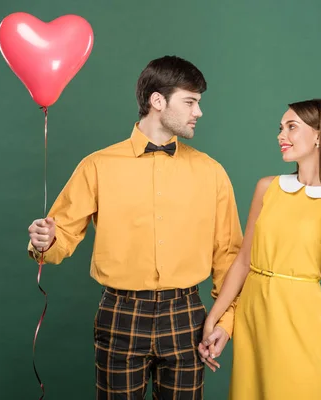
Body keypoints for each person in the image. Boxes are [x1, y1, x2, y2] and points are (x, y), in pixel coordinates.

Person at [26, 55, 243, 400]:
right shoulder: (97, 166)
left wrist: (225, 323)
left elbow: (229, 255)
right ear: (158, 101)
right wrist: (45, 241)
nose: (198, 112)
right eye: (190, 102)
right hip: (120, 314)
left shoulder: (212, 172)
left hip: (187, 314)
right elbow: (60, 235)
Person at [197, 99, 321, 399]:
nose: (281, 135)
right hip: (254, 315)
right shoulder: (267, 187)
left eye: (292, 127)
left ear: (320, 135)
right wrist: (214, 318)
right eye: (280, 128)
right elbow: (242, 261)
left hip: (299, 320)